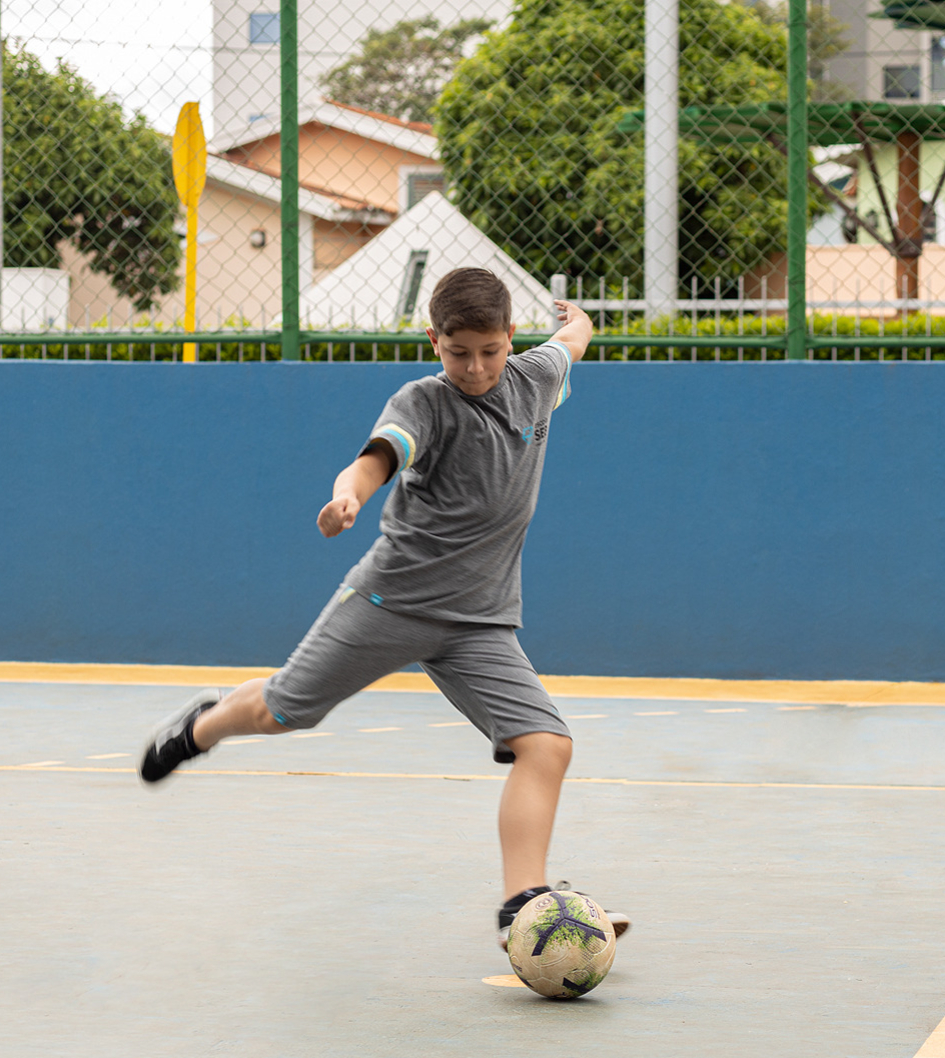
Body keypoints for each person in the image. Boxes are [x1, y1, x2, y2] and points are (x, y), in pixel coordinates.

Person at [139, 267, 627, 949]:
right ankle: (203, 726)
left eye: (489, 351)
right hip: (392, 601)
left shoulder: (536, 378)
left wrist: (578, 320)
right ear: (434, 342)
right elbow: (376, 458)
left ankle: (522, 903)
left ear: (511, 337)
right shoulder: (424, 401)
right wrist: (349, 497)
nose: (475, 367)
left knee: (546, 745)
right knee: (282, 711)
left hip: (480, 620)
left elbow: (572, 341)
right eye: (458, 353)